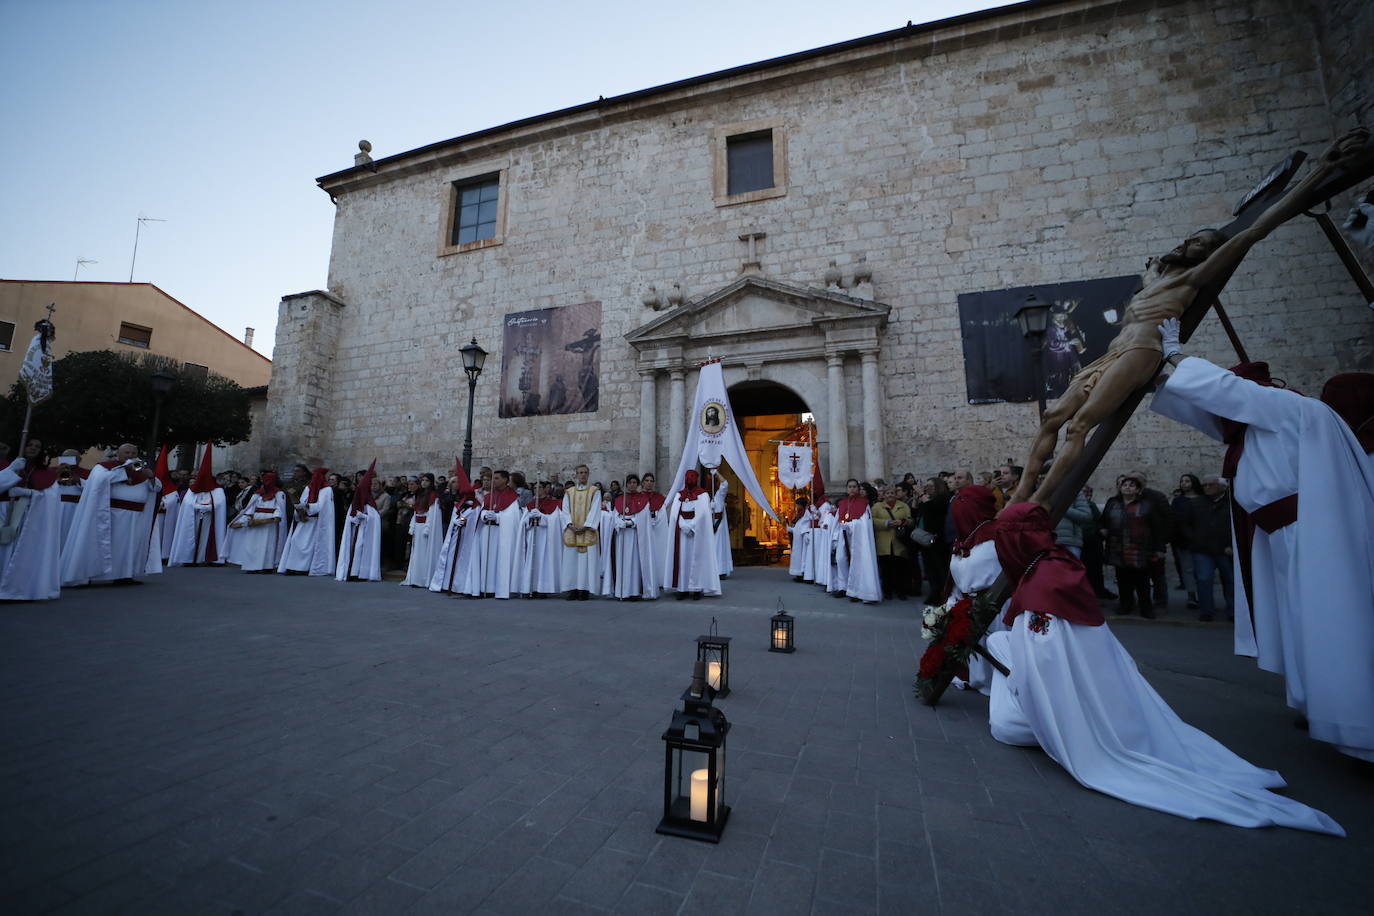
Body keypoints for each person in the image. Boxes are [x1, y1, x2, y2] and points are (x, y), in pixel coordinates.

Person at [1013, 127, 1371, 506]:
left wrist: (1321, 171)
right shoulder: (1154, 279)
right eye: (1189, 239)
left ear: (1207, 254)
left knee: (1080, 426)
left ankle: (1040, 503)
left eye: (1198, 242)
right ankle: (1020, 493)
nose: (1187, 244)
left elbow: (1255, 231)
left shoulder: (1192, 278)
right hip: (1112, 352)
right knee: (1053, 417)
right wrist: (1154, 268)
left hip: (1142, 352)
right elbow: (1154, 272)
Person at [984, 502, 1342, 836]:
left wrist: (1021, 684)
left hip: (1076, 703)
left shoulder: (1044, 578)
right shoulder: (1054, 565)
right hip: (1103, 684)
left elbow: (1048, 658)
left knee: (1006, 725)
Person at [1151, 334, 1374, 761]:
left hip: (1309, 538)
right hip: (1284, 538)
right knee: (1300, 626)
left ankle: (1356, 728)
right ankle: (1316, 703)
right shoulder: (1261, 422)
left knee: (1327, 624)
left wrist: (1176, 355)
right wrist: (1158, 376)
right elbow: (1209, 412)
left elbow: (1224, 394)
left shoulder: (1288, 408)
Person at [61, 443, 163, 587]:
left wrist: (151, 477)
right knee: (108, 545)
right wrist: (123, 472)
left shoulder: (141, 469)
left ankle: (125, 575)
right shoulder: (104, 467)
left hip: (136, 516)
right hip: (112, 515)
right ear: (118, 455)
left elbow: (156, 487)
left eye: (134, 453)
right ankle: (95, 574)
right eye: (127, 453)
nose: (131, 456)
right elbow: (99, 481)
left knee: (130, 546)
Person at [944, 483, 1004, 694]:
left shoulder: (999, 536)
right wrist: (951, 604)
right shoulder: (964, 539)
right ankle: (972, 676)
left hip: (996, 608)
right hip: (966, 606)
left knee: (992, 646)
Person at [0, 439, 62, 601]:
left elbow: (52, 496)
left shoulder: (45, 473)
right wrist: (11, 470)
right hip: (5, 510)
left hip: (31, 516)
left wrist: (31, 494)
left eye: (37, 446)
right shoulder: (7, 465)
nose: (33, 448)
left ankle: (19, 587)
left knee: (22, 550)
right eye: (29, 445)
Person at [1102, 471, 1168, 618]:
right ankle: (1126, 604)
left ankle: (1146, 607)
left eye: (1132, 485)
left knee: (1142, 581)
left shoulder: (1147, 505)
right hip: (1118, 548)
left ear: (1138, 490)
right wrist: (1103, 529)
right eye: (1125, 485)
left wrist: (1159, 548)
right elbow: (1104, 520)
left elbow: (1156, 527)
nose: (1127, 487)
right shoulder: (1113, 503)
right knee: (1123, 580)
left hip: (1140, 549)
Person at [461, 469, 522, 598]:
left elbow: (513, 517)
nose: (494, 481)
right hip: (486, 532)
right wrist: (484, 515)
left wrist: (498, 517)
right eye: (493, 478)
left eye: (497, 478)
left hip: (501, 533)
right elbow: (481, 511)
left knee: (498, 560)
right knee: (485, 559)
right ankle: (484, 587)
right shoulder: (489, 496)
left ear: (506, 480)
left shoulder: (512, 497)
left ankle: (497, 588)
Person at [601, 474, 659, 600]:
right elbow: (615, 515)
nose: (632, 484)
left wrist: (633, 522)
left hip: (635, 536)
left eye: (634, 482)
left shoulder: (643, 499)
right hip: (622, 537)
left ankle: (634, 591)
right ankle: (622, 591)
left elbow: (644, 518)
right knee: (621, 562)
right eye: (630, 482)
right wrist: (619, 522)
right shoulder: (619, 499)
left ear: (638, 484)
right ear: (626, 484)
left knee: (635, 563)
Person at [663, 470, 719, 599]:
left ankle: (696, 588)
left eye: (693, 477)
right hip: (682, 533)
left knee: (696, 559)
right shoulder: (679, 495)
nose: (690, 479)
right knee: (682, 559)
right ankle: (682, 588)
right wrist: (683, 525)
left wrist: (692, 526)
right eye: (688, 477)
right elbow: (674, 514)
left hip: (696, 534)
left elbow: (703, 514)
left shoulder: (703, 495)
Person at [169, 448, 228, 567]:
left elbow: (220, 504)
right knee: (192, 536)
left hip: (209, 519)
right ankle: (189, 557)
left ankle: (205, 558)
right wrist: (197, 506)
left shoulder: (218, 490)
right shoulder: (192, 490)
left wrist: (208, 508)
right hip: (193, 517)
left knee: (206, 538)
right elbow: (187, 503)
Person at [1190, 475, 1235, 622]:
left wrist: (1230, 544)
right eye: (1205, 485)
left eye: (1211, 485)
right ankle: (1206, 610)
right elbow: (1188, 524)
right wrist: (1194, 540)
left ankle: (1233, 610)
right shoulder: (1197, 503)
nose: (1207, 488)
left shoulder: (1232, 503)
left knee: (1230, 580)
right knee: (1203, 579)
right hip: (1202, 548)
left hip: (1225, 549)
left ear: (1223, 487)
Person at [827, 478, 881, 603]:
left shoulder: (864, 503)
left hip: (858, 539)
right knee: (841, 559)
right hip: (843, 536)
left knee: (857, 561)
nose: (852, 489)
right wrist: (836, 535)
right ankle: (843, 587)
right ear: (847, 489)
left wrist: (850, 525)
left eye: (854, 487)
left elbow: (864, 523)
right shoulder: (843, 503)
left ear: (858, 488)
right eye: (850, 487)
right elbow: (836, 521)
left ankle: (857, 590)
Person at [277, 467, 335, 576]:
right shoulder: (308, 488)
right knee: (295, 540)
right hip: (305, 519)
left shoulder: (327, 490)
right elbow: (303, 500)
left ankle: (303, 568)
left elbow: (322, 506)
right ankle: (292, 566)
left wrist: (308, 506)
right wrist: (299, 507)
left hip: (317, 521)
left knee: (308, 545)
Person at [429, 467, 479, 595]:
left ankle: (459, 585)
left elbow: (471, 517)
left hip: (465, 537)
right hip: (455, 535)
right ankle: (446, 583)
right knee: (450, 557)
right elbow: (456, 515)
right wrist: (456, 521)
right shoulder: (458, 502)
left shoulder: (473, 505)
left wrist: (462, 520)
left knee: (463, 558)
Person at [229, 472, 288, 573]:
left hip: (269, 525)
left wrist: (270, 519)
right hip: (255, 521)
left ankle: (267, 567)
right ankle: (252, 566)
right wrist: (245, 520)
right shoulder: (257, 494)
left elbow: (280, 510)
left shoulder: (279, 494)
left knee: (268, 545)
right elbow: (250, 508)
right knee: (253, 544)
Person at [515, 481, 564, 598]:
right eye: (535, 487)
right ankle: (531, 587)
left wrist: (542, 517)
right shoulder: (530, 505)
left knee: (544, 562)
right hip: (532, 536)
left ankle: (543, 588)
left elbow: (557, 521)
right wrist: (530, 518)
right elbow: (523, 523)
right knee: (532, 561)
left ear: (545, 489)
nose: (537, 489)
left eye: (540, 487)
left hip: (545, 537)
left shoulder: (554, 503)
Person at [337, 463, 383, 582]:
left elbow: (375, 518)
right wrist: (354, 518)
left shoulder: (370, 502)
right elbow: (350, 516)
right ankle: (352, 572)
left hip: (365, 532)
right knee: (355, 549)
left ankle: (361, 573)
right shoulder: (355, 502)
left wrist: (363, 516)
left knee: (360, 550)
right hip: (355, 531)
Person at [561, 464, 601, 600]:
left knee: (586, 562)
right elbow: (565, 510)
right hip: (572, 531)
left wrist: (586, 525)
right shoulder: (569, 492)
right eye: (580, 473)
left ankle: (584, 589)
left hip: (587, 531)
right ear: (576, 475)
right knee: (571, 561)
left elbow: (595, 510)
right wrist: (569, 525)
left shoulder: (595, 491)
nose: (583, 475)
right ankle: (572, 589)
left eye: (585, 472)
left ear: (588, 474)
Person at [401, 474, 444, 588]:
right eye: (423, 480)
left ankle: (424, 578)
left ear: (431, 482)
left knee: (425, 553)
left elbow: (432, 513)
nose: (424, 482)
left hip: (425, 527)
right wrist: (413, 525)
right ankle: (416, 578)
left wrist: (428, 527)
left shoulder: (434, 495)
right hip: (418, 526)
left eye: (427, 480)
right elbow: (416, 511)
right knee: (417, 552)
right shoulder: (421, 495)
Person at [872, 486, 912, 601]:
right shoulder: (877, 506)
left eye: (892, 493)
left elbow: (910, 520)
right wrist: (886, 523)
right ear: (884, 495)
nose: (890, 495)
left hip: (899, 542)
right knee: (886, 570)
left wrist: (902, 522)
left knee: (900, 569)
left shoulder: (903, 506)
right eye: (887, 493)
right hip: (884, 542)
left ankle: (901, 591)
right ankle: (887, 592)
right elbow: (873, 520)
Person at [1171, 473, 1205, 608]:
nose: (1184, 483)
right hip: (1184, 541)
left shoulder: (1203, 499)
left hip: (1203, 540)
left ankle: (1204, 596)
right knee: (1188, 569)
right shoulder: (1178, 501)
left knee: (1203, 571)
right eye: (1182, 481)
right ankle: (1192, 595)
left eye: (1187, 481)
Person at [55, 449, 88, 549]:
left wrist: (79, 480)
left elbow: (93, 489)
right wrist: (56, 479)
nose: (68, 460)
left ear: (79, 459)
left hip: (75, 510)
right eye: (66, 457)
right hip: (54, 508)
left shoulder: (87, 473)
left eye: (72, 458)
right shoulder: (52, 471)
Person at [708, 470, 733, 578]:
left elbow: (725, 484)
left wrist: (717, 472)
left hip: (718, 525)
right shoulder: (702, 496)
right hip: (708, 525)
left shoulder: (719, 495)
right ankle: (711, 570)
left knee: (718, 547)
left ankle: (720, 570)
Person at [788, 496, 812, 581]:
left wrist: (805, 534)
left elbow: (806, 525)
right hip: (797, 539)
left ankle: (802, 573)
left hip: (802, 539)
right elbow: (798, 526)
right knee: (797, 556)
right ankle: (797, 573)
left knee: (802, 556)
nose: (797, 507)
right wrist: (790, 529)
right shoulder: (799, 514)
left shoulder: (806, 514)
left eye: (798, 505)